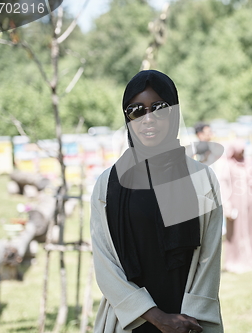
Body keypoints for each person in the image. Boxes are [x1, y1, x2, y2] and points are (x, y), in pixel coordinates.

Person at [90, 70, 223, 333]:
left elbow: (210, 257)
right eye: (136, 111)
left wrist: (186, 319)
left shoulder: (202, 179)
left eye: (159, 108)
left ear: (173, 112)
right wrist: (156, 317)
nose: (147, 119)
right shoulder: (107, 185)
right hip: (129, 321)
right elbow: (106, 265)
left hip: (189, 321)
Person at [219, 140, 252, 274]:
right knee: (235, 233)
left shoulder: (247, 163)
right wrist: (227, 206)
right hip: (234, 204)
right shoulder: (228, 166)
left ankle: (249, 258)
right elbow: (224, 186)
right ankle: (234, 261)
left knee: (249, 231)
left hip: (247, 204)